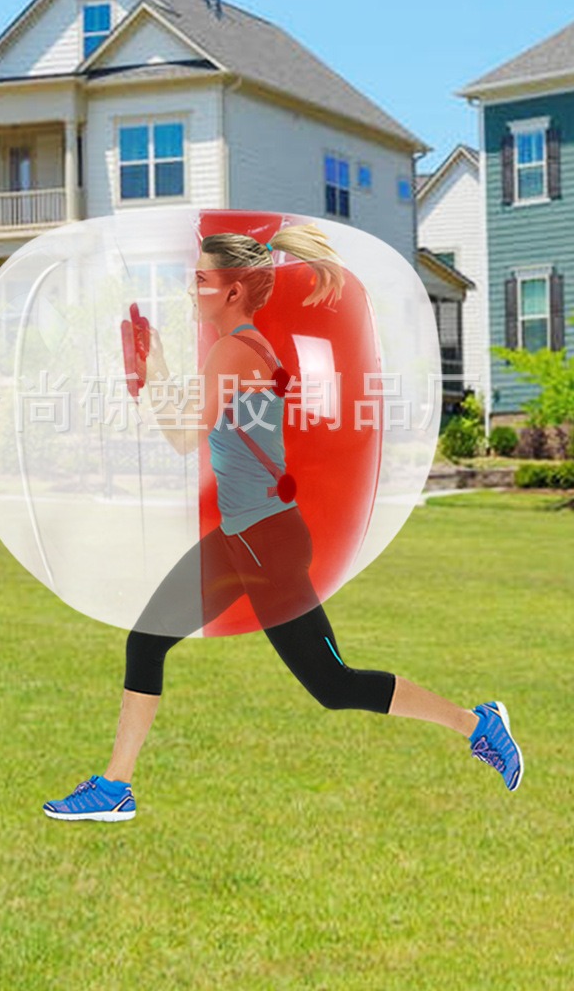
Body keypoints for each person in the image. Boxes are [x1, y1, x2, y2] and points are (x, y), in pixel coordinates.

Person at [43, 225, 523, 822]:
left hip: (267, 541)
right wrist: (159, 366)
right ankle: (116, 786)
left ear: (235, 291)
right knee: (146, 640)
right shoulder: (237, 349)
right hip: (239, 538)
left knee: (334, 684)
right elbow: (189, 428)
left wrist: (157, 367)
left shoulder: (234, 351)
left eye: (201, 281)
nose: (191, 292)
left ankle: (478, 723)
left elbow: (181, 435)